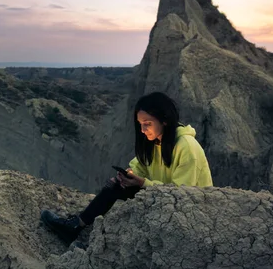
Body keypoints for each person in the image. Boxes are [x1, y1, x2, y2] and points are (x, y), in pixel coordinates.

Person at [41, 92, 213, 244]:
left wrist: (143, 183)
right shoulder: (155, 142)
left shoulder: (187, 147)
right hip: (163, 200)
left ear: (165, 120)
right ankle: (76, 226)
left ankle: (100, 244)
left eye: (147, 123)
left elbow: (182, 193)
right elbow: (138, 166)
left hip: (188, 211)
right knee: (115, 185)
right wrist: (128, 176)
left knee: (126, 191)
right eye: (140, 124)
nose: (143, 129)